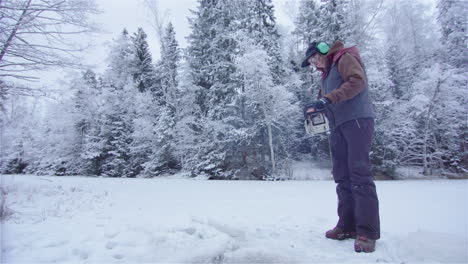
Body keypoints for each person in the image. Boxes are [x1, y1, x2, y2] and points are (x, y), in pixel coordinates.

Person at [301, 40, 380, 253]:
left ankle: (367, 232)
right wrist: (315, 108)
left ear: (324, 51)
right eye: (311, 62)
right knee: (342, 176)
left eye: (315, 59)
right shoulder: (326, 75)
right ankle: (347, 225)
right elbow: (328, 100)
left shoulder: (344, 58)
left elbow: (357, 81)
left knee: (359, 174)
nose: (315, 64)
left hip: (357, 120)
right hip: (338, 126)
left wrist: (327, 99)